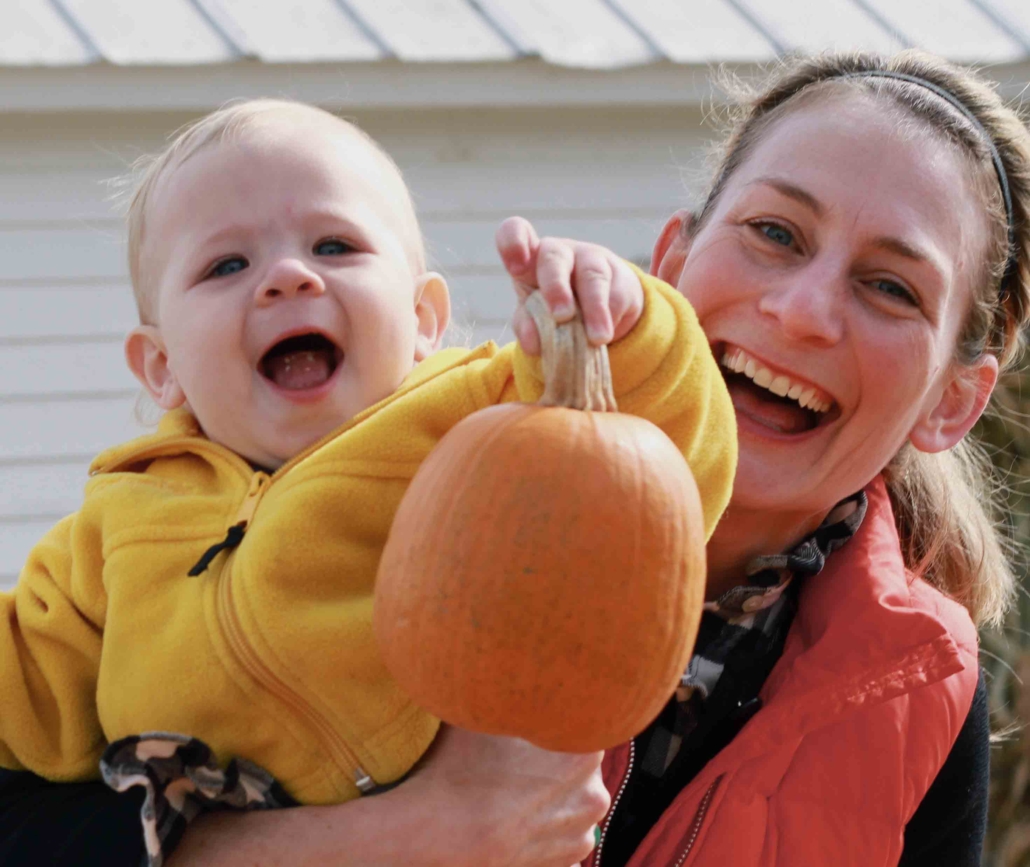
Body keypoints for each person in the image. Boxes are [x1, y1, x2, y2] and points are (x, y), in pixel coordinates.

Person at [2, 46, 1029, 867]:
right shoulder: (447, 466)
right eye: (773, 232)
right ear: (667, 263)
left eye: (892, 287)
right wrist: (368, 847)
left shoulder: (911, 696)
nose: (802, 312)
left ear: (953, 400)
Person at [0, 98, 737, 864]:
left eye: (334, 244)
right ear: (162, 368)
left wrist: (617, 328)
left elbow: (661, 455)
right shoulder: (119, 517)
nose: (287, 276)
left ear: (424, 319)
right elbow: (32, 691)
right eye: (227, 264)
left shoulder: (474, 418)